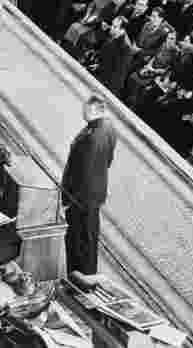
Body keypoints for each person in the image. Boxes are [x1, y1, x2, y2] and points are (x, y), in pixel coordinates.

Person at [61, 96, 117, 279]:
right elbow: (108, 159)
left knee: (79, 239)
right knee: (89, 236)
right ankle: (85, 273)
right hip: (95, 193)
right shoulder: (108, 128)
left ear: (94, 110)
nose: (82, 112)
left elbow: (84, 173)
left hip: (82, 198)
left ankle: (80, 276)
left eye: (85, 109)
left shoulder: (91, 138)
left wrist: (69, 199)